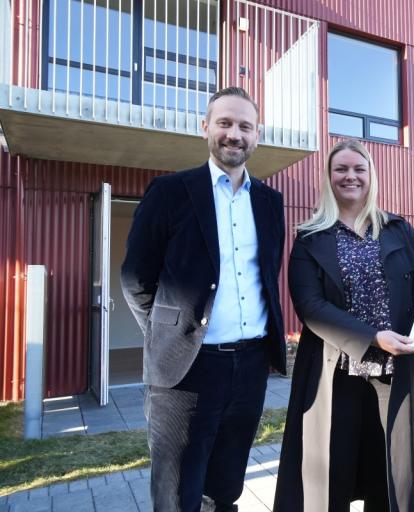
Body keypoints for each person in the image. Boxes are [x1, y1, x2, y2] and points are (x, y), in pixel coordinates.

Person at [121, 86, 286, 512]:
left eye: (245, 126)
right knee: (178, 496)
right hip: (186, 370)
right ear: (205, 128)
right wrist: (171, 334)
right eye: (225, 123)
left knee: (226, 489)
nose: (234, 134)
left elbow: (267, 276)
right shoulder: (170, 191)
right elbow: (135, 277)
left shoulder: (270, 202)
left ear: (257, 134)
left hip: (250, 368)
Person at [273, 139, 414, 512]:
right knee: (332, 479)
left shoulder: (398, 229)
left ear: (371, 175)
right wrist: (373, 338)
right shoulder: (310, 236)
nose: (351, 176)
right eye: (341, 169)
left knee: (393, 479)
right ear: (329, 177)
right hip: (334, 375)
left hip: (395, 373)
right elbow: (310, 306)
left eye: (359, 169)